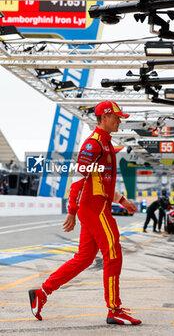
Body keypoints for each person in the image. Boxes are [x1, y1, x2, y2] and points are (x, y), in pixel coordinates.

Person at [28, 101, 142, 325]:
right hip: (94, 209)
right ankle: (114, 309)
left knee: (84, 258)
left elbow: (102, 182)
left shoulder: (107, 145)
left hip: (97, 207)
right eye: (117, 117)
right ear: (104, 117)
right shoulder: (93, 145)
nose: (120, 120)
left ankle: (42, 292)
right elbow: (79, 179)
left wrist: (123, 201)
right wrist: (71, 210)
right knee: (113, 253)